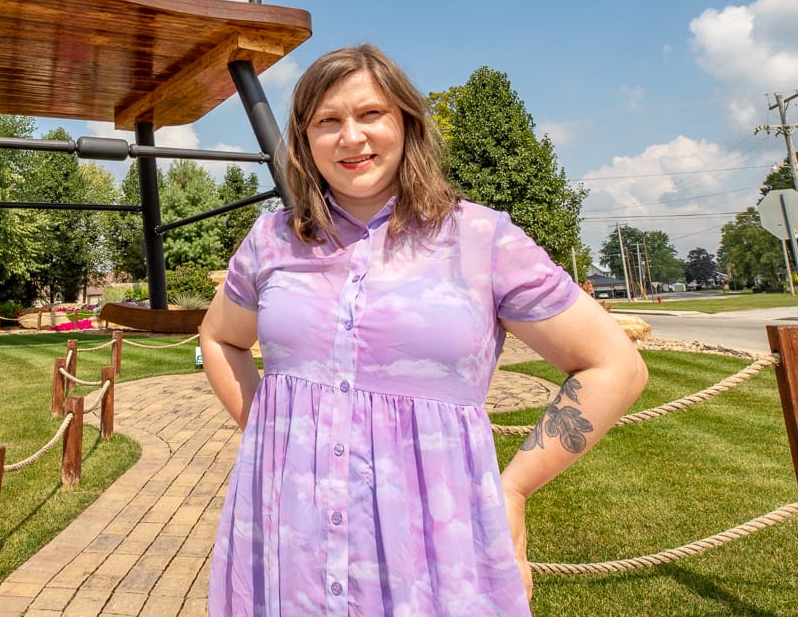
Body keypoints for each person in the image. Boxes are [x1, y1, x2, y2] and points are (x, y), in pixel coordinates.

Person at [199, 44, 648, 615]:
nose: (351, 138)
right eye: (327, 122)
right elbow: (220, 337)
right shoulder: (272, 240)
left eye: (370, 115)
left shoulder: (483, 239)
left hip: (436, 550)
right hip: (289, 542)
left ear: (407, 124)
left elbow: (617, 366)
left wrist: (513, 490)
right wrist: (271, 434)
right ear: (305, 141)